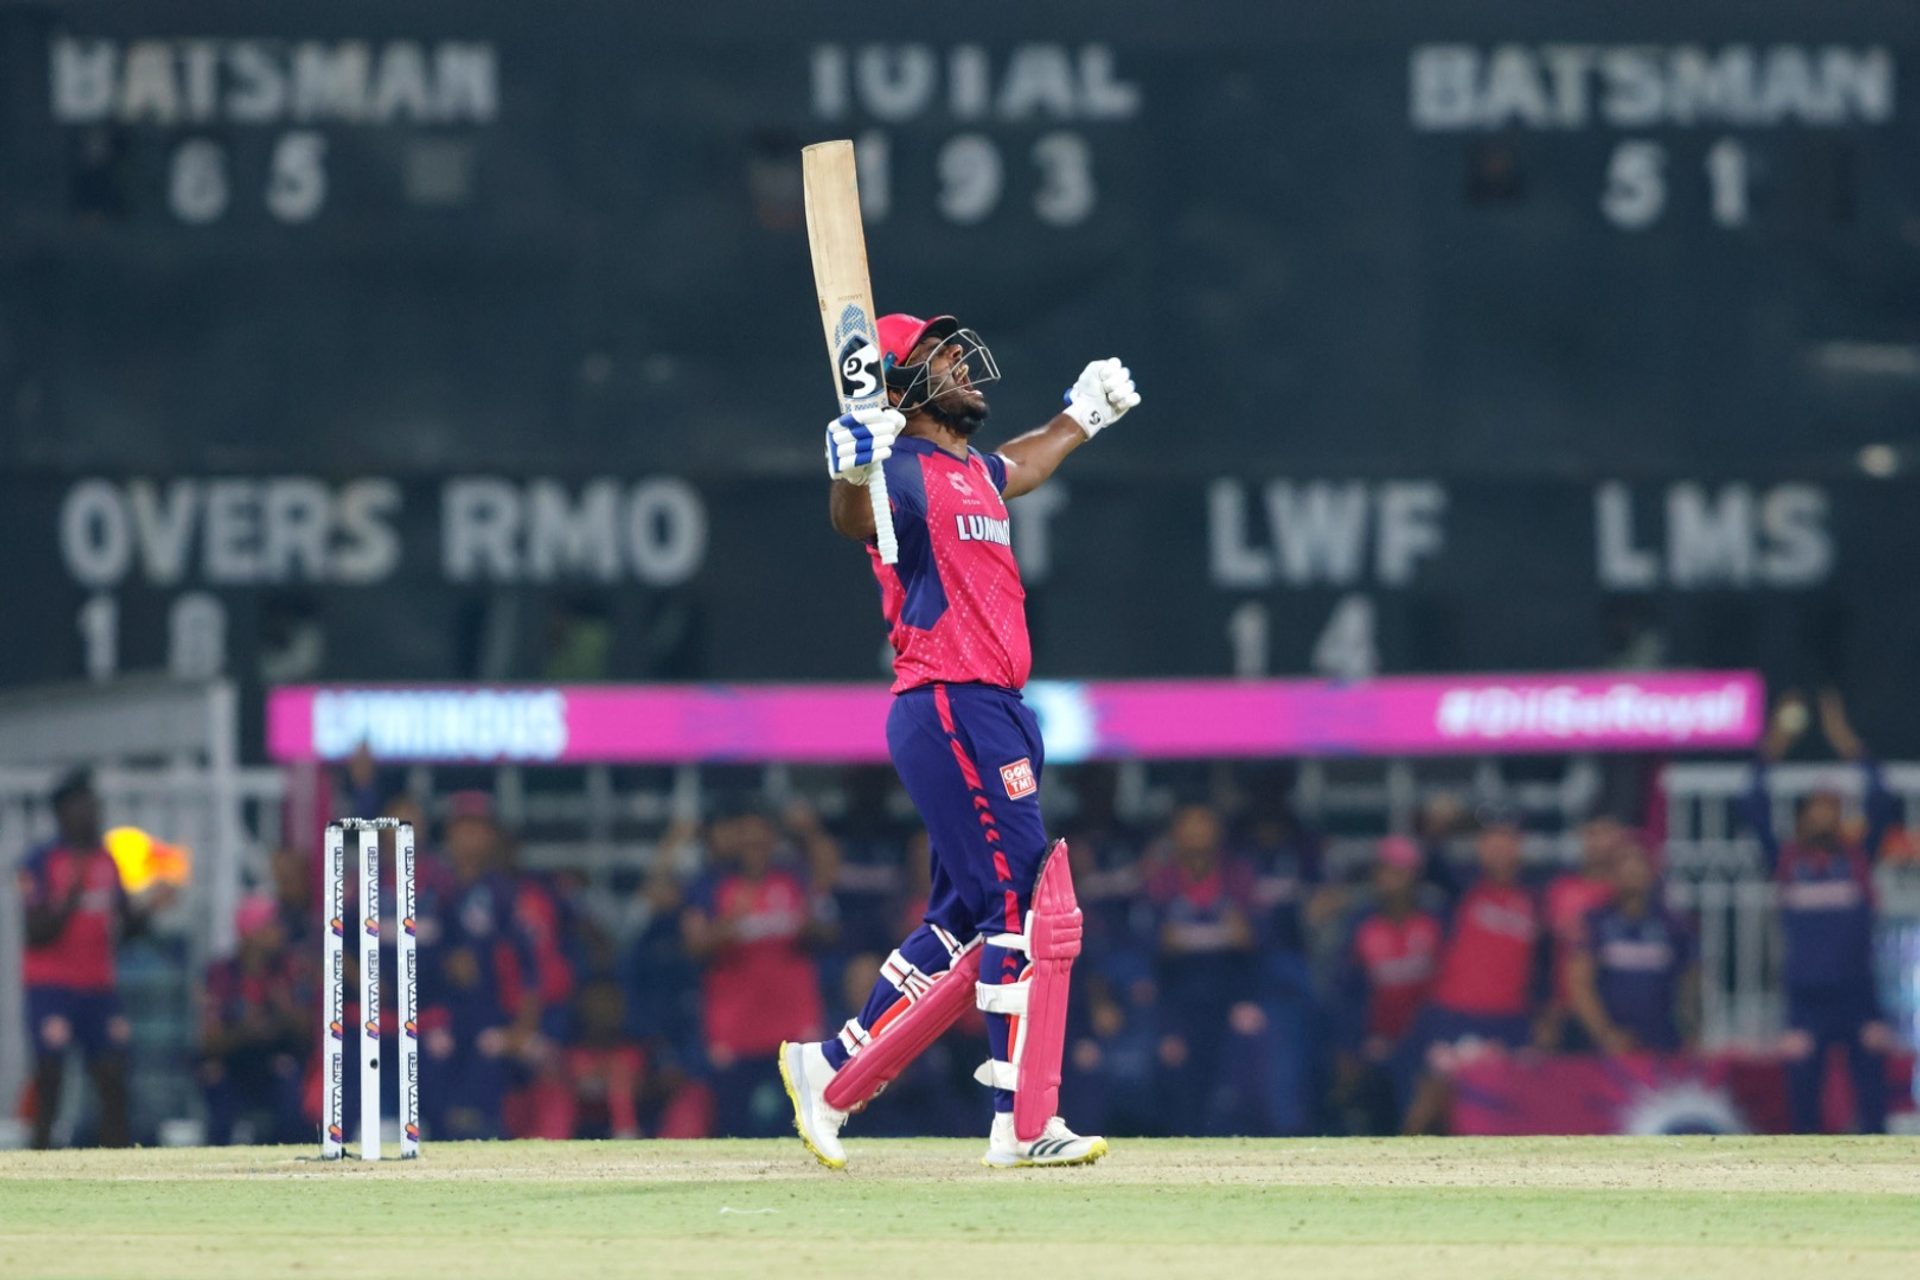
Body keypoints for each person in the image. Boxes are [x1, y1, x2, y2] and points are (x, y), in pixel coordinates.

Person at [781, 314, 1139, 1169]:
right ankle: (1022, 1120)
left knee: (963, 921)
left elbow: (1026, 463)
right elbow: (853, 519)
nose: (964, 366)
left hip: (994, 706)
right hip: (950, 699)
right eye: (941, 359)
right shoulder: (898, 472)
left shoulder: (970, 470)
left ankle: (828, 1069)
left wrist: (1082, 417)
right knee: (1025, 906)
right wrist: (851, 468)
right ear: (902, 386)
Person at [1739, 690, 1897, 1133]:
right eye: (1818, 807)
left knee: (1873, 1104)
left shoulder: (1859, 857)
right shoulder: (1788, 860)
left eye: (1834, 807)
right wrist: (1775, 743)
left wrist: (1845, 741)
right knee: (1804, 1105)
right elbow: (1751, 803)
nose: (1826, 815)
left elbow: (1883, 798)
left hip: (1858, 991)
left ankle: (1881, 1168)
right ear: (1803, 816)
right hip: (1805, 997)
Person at [17, 770, 170, 1147]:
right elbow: (35, 932)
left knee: (113, 1076)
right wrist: (69, 899)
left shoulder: (107, 861)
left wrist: (151, 907)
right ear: (63, 812)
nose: (94, 813)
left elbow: (126, 927)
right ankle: (38, 1163)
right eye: (85, 805)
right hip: (51, 987)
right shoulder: (39, 861)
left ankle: (115, 1164)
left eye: (95, 805)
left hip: (99, 988)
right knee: (50, 1078)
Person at [1401, 814, 1545, 1135]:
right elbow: (1431, 863)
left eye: (1507, 840)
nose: (1499, 848)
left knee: (1509, 1109)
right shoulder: (1463, 888)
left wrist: (1543, 1015)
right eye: (1491, 841)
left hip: (1510, 1018)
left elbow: (1544, 965)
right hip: (1455, 1013)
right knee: (1435, 1097)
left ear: (1519, 848)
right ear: (1480, 849)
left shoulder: (1535, 899)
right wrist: (1439, 826)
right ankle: (1402, 1162)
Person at [1331, 837, 1443, 1134]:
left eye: (1400, 872)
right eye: (1385, 871)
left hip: (1424, 1040)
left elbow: (1443, 990)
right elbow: (1347, 992)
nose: (1391, 880)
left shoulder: (1433, 923)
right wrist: (1350, 1046)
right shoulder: (1361, 926)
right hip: (1375, 1041)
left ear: (1415, 878)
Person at [1564, 837, 1697, 1055]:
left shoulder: (1674, 926)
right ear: (1611, 873)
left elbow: (1690, 982)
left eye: (1639, 862)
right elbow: (1579, 982)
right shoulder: (1595, 922)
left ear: (1652, 871)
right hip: (1609, 1053)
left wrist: (1691, 1033)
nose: (1632, 870)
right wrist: (1605, 1033)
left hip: (1665, 1047)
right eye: (1624, 863)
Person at [200, 896, 308, 1144]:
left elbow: (308, 1033)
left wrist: (285, 1011)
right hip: (233, 1062)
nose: (281, 932)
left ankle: (286, 1152)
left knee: (289, 1077)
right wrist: (245, 1031)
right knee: (214, 1076)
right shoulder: (222, 975)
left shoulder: (287, 970)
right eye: (273, 925)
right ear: (252, 932)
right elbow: (208, 1041)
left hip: (274, 1061)